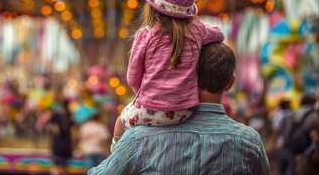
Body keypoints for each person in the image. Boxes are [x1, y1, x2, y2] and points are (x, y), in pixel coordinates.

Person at [89, 42, 270, 174]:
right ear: (230, 83)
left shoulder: (140, 139)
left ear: (187, 75)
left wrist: (119, 134)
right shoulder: (250, 142)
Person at [112, 0, 224, 150]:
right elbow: (219, 35)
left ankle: (116, 152)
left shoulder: (146, 35)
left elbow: (133, 76)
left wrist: (142, 94)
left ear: (152, 7)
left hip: (150, 109)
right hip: (185, 111)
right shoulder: (198, 31)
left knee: (119, 122)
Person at [49, 100, 75, 175]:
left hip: (58, 144)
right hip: (67, 145)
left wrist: (53, 127)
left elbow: (52, 125)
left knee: (56, 166)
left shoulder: (56, 116)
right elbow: (73, 131)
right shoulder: (70, 116)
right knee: (65, 167)